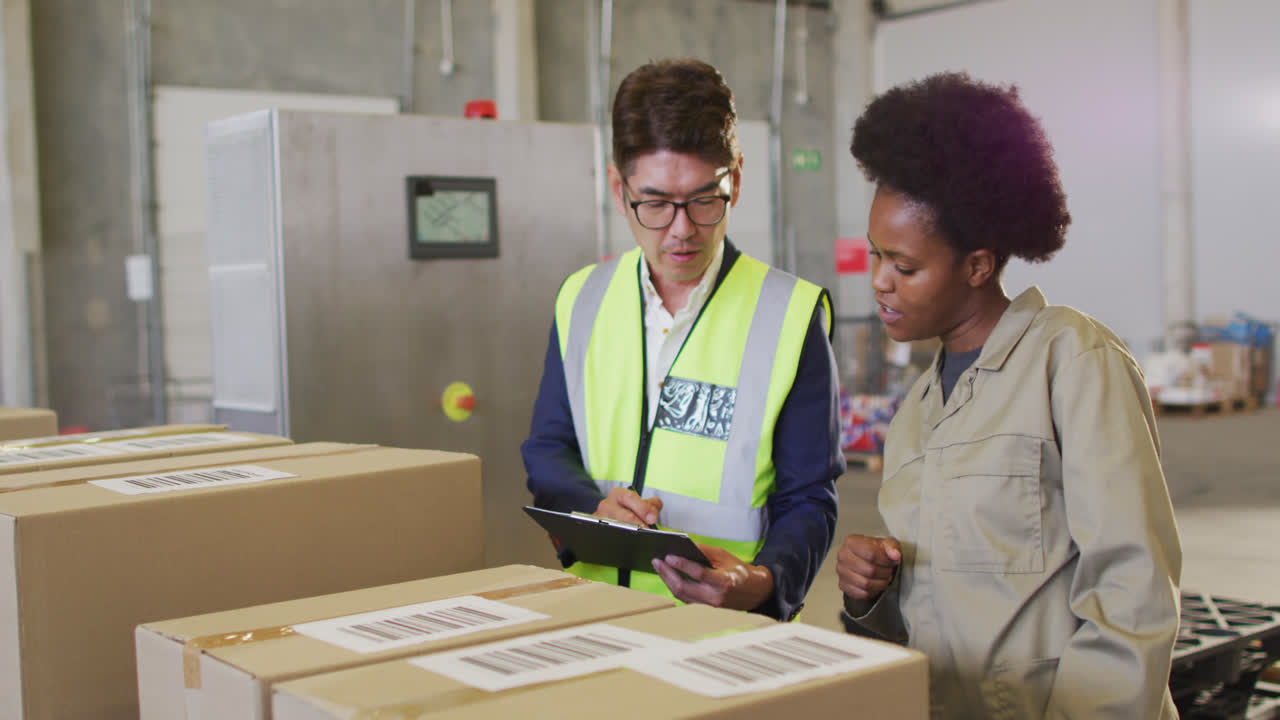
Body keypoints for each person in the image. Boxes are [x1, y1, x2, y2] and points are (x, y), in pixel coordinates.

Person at [836, 72, 1182, 718]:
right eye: (876, 255)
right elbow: (933, 609)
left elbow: (1131, 594)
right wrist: (871, 594)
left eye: (904, 266)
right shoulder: (918, 410)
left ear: (978, 265)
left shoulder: (1072, 362)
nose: (880, 282)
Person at [522, 58, 843, 621]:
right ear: (618, 189)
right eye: (655, 203)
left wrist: (765, 583)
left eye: (703, 199)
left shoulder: (790, 315)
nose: (681, 229)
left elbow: (809, 496)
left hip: (723, 631)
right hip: (593, 617)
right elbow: (549, 450)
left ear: (735, 179)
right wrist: (591, 508)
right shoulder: (581, 298)